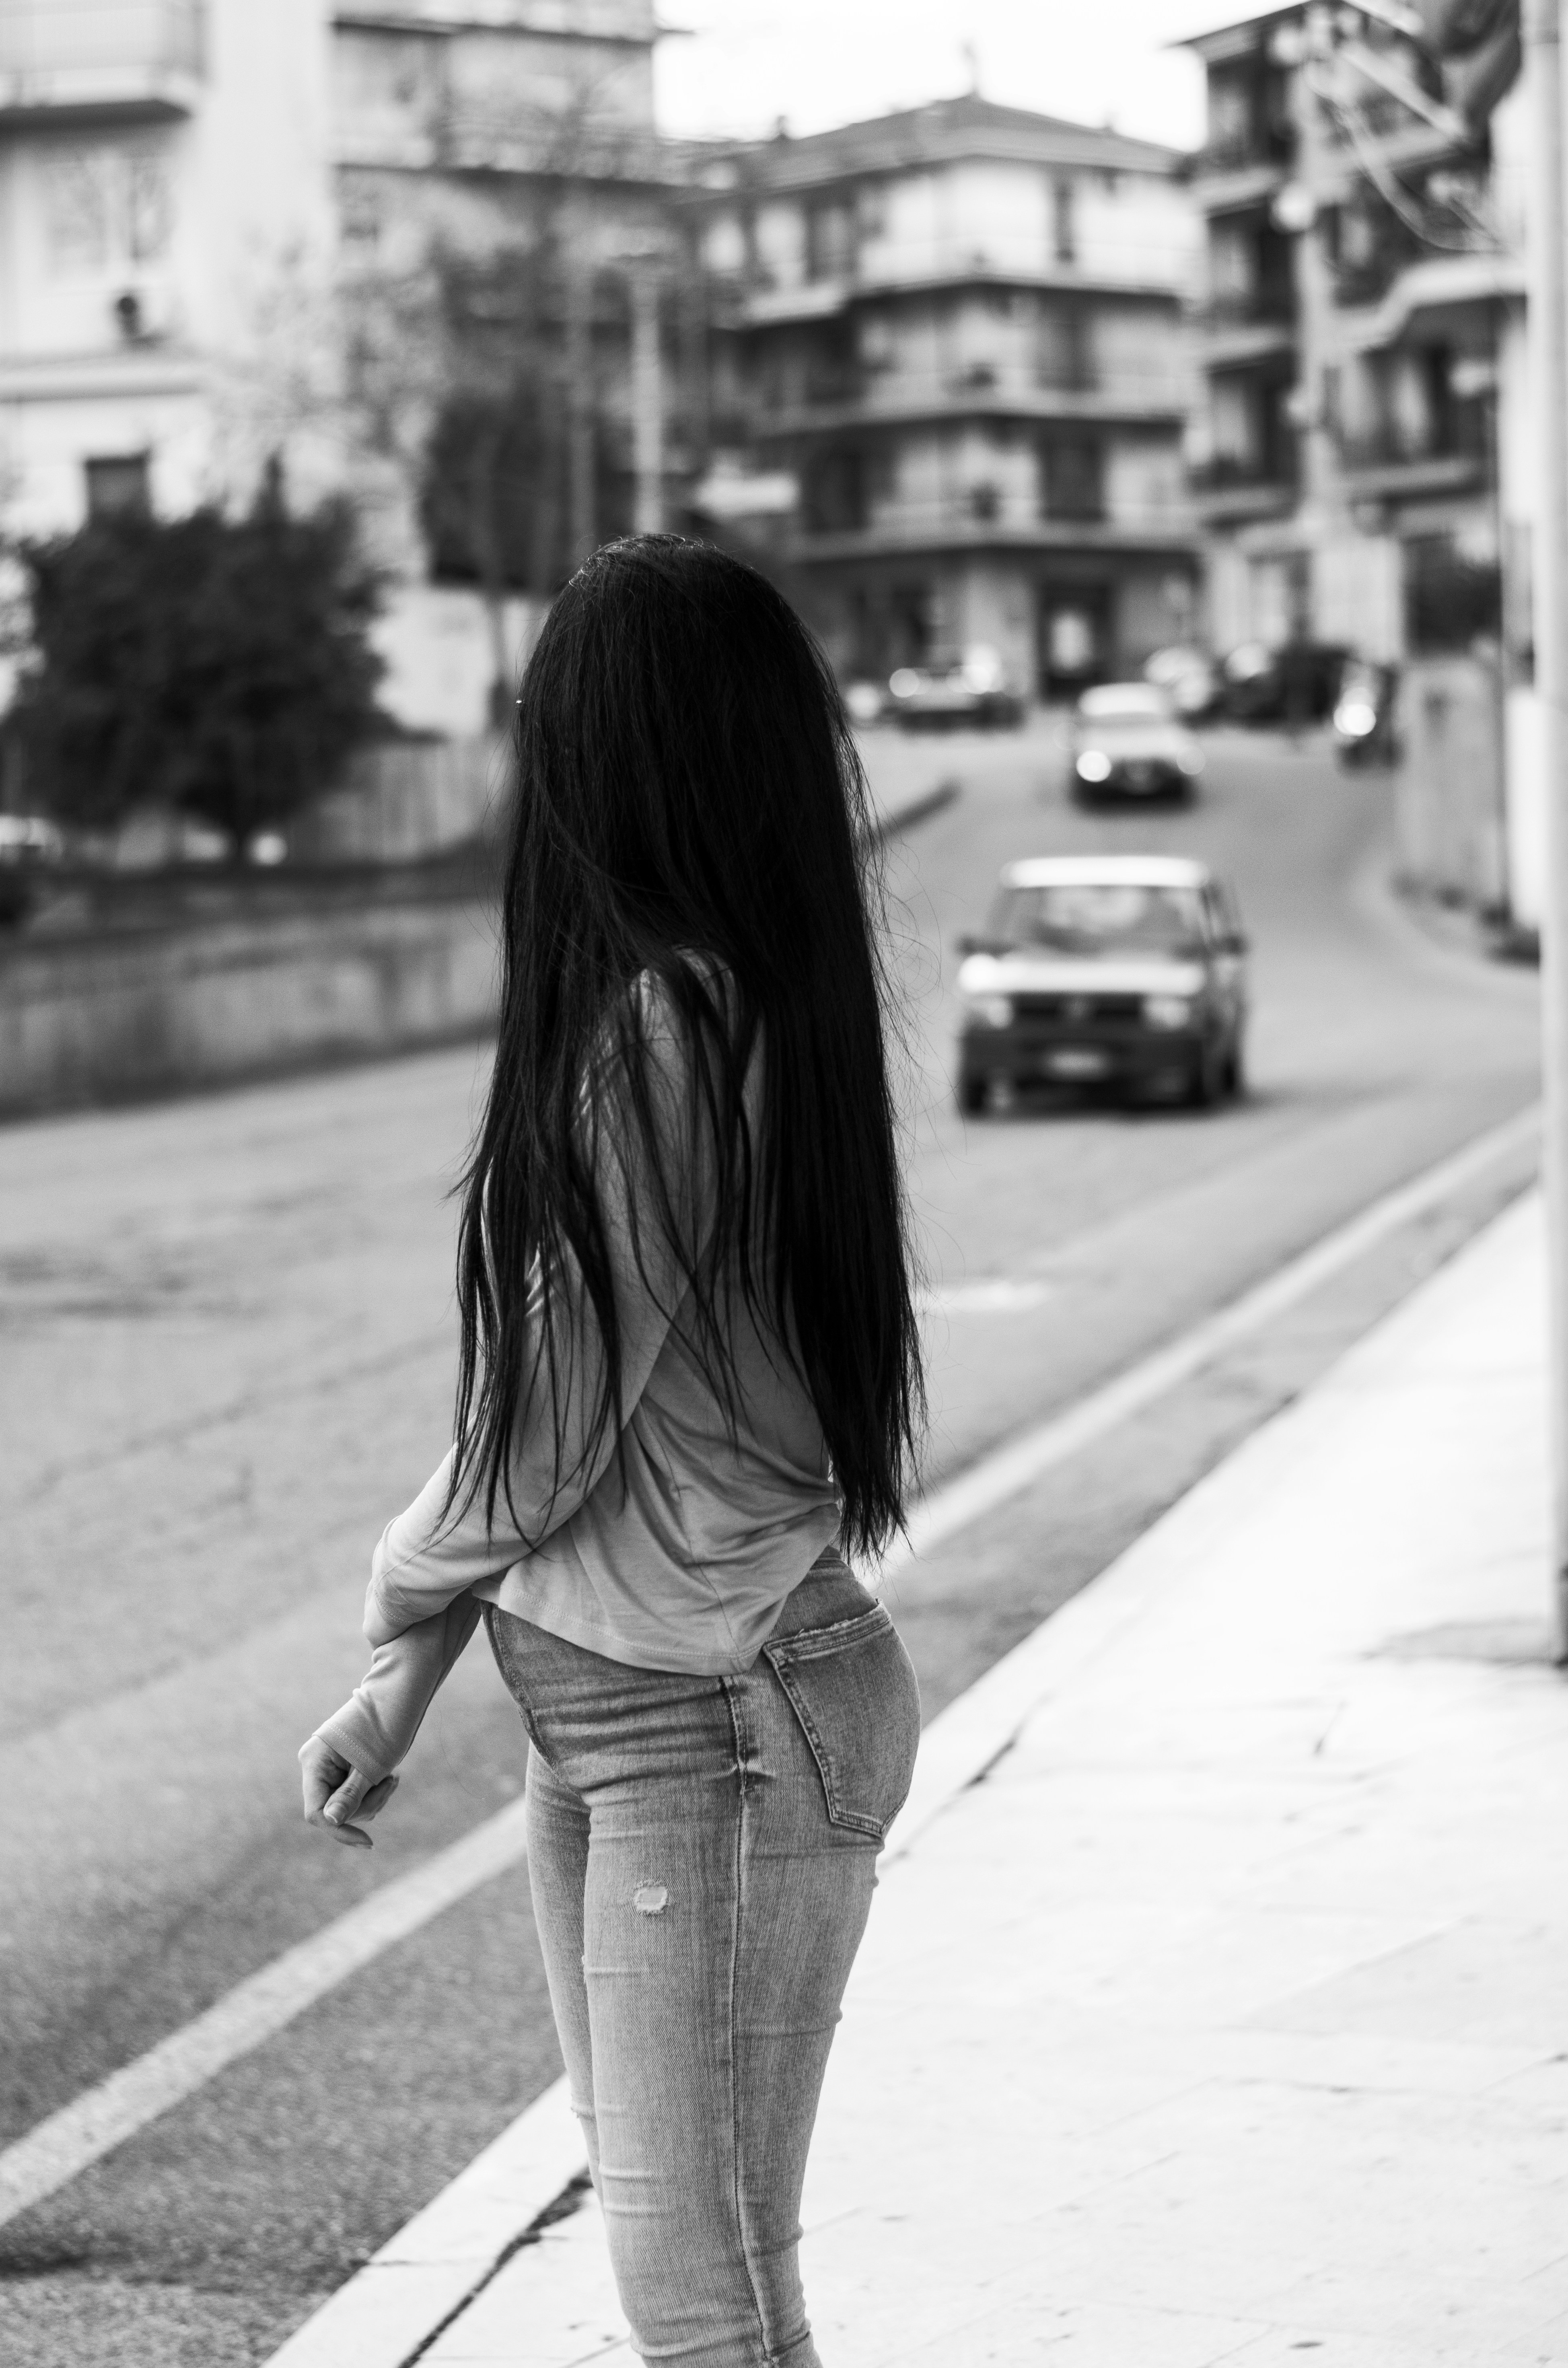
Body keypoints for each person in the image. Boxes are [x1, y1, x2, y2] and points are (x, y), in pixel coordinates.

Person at [299, 535, 926, 2368]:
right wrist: (405, 1684)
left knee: (698, 2297)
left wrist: (388, 1605)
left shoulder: (666, 1025)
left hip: (715, 1725)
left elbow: (538, 1430)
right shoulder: (727, 1003)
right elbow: (547, 1425)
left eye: (548, 727)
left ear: (619, 759)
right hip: (635, 1719)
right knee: (715, 2270)